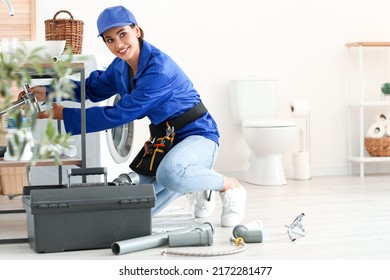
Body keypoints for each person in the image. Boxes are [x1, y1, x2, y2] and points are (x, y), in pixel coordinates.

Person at [22, 5, 246, 227]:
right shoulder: (120, 66)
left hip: (198, 136)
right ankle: (194, 180)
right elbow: (93, 88)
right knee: (138, 214)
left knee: (171, 175)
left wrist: (63, 114)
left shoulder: (159, 70)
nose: (118, 45)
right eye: (110, 39)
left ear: (136, 30)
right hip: (165, 142)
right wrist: (49, 91)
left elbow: (120, 114)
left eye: (122, 34)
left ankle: (228, 185)